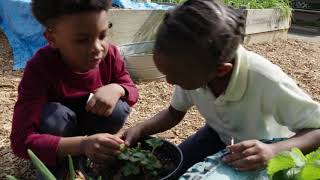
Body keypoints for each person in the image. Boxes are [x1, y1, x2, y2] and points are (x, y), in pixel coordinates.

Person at [121, 0, 320, 176]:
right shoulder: (189, 66)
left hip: (260, 149)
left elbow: (317, 129)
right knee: (173, 170)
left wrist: (274, 150)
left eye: (176, 76)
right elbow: (174, 114)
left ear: (221, 71)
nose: (170, 82)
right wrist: (139, 129)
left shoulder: (266, 80)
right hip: (219, 134)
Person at [10, 0, 139, 178]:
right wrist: (82, 144)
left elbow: (132, 90)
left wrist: (118, 88)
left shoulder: (110, 55)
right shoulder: (40, 68)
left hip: (91, 128)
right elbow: (20, 141)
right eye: (82, 40)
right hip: (58, 136)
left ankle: (93, 155)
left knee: (118, 108)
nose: (97, 48)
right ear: (52, 38)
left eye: (102, 35)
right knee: (54, 116)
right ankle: (61, 163)